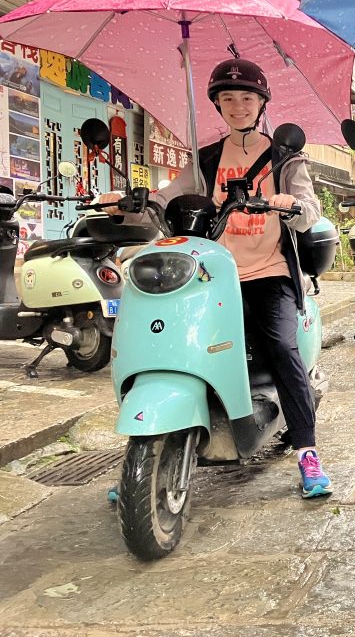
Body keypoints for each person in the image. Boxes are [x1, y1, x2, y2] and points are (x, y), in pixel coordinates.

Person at [96, 58, 332, 499]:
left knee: (281, 347)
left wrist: (290, 205)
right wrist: (129, 201)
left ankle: (307, 450)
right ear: (217, 105)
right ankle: (148, 447)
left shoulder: (285, 159)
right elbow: (167, 198)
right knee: (170, 341)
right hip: (211, 272)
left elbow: (309, 208)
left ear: (261, 103)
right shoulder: (205, 159)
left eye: (246, 98)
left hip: (268, 272)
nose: (237, 106)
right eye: (227, 98)